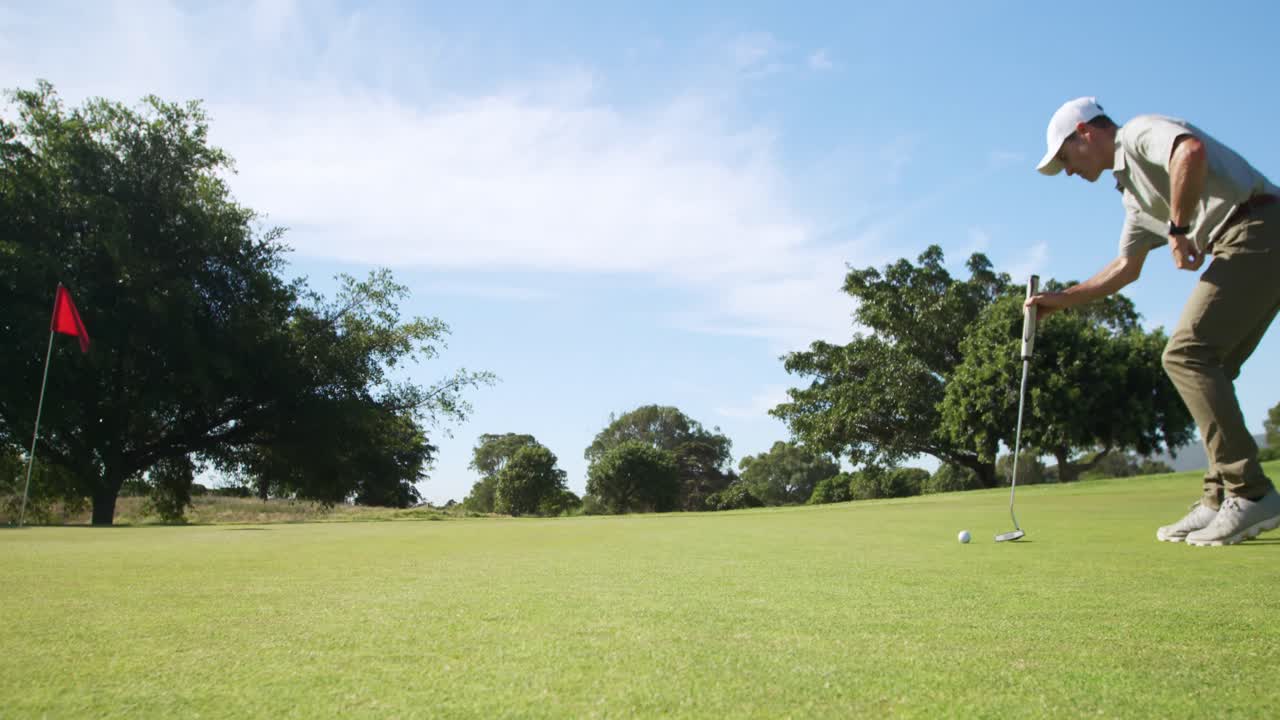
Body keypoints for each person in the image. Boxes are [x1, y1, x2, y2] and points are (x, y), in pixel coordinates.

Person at [1029, 96, 1280, 546]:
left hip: (1258, 225)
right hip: (1255, 238)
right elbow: (1125, 268)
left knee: (1186, 356)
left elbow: (1190, 152)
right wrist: (1060, 301)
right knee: (1213, 368)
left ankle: (1250, 492)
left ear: (1085, 132)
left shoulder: (1138, 134)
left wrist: (1178, 229)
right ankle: (1218, 498)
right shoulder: (1133, 195)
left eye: (1065, 157)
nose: (1067, 170)